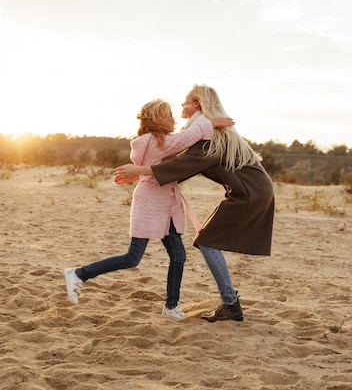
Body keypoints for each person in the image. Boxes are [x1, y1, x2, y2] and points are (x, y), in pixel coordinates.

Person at [115, 84, 274, 322]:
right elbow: (179, 170)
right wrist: (139, 175)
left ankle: (230, 304)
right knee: (207, 239)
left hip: (249, 192)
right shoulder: (206, 134)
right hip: (250, 190)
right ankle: (230, 303)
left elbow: (177, 167)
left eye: (185, 101)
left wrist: (137, 169)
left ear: (197, 104)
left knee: (208, 241)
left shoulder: (211, 139)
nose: (181, 106)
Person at [64, 98, 233, 320]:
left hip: (167, 203)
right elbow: (183, 139)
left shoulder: (161, 141)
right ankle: (78, 274)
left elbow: (176, 146)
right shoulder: (153, 140)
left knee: (178, 256)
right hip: (150, 202)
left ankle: (171, 307)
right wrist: (211, 123)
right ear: (157, 118)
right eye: (168, 115)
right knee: (133, 257)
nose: (173, 118)